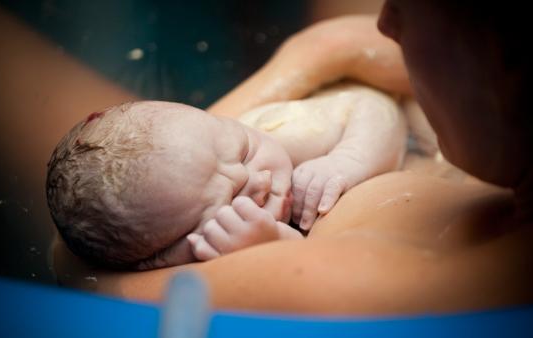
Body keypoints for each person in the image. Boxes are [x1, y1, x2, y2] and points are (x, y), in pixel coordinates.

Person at [54, 3, 533, 316]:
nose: (384, 23)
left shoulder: (374, 278)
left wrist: (316, 59)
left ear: (509, 69)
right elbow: (344, 41)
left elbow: (80, 270)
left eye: (409, 4)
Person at [47, 83, 406, 270]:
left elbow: (373, 107)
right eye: (232, 202)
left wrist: (348, 160)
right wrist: (271, 247)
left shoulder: (284, 134)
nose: (260, 179)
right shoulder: (203, 264)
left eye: (245, 151)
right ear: (164, 260)